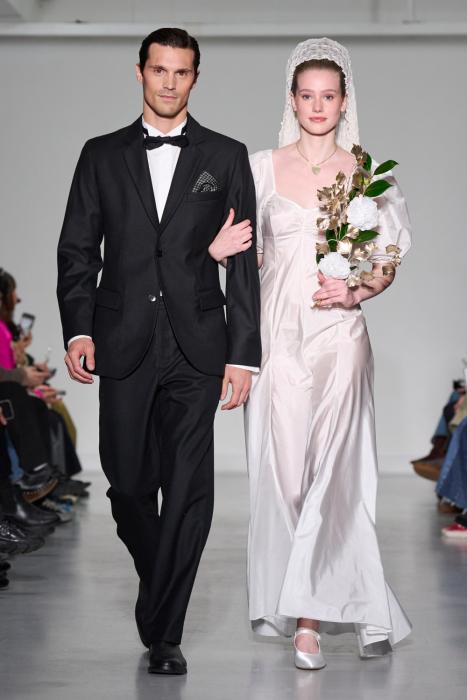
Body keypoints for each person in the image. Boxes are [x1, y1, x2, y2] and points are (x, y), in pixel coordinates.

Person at [57, 27, 261, 675]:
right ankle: (160, 585)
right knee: (126, 483)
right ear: (140, 72)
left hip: (198, 344)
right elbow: (77, 250)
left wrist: (243, 355)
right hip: (122, 340)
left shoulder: (226, 156)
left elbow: (245, 266)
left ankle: (165, 634)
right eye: (159, 70)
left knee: (190, 489)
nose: (169, 82)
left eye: (182, 72)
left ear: (195, 77)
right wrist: (78, 329)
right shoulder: (100, 154)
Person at [209, 37, 411, 669]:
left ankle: (309, 622)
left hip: (339, 334)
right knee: (283, 473)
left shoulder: (367, 173)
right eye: (306, 95)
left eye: (328, 96)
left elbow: (386, 259)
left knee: (335, 470)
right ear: (292, 101)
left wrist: (357, 289)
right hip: (275, 335)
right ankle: (344, 596)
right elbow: (241, 254)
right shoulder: (260, 168)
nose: (317, 106)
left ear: (344, 101)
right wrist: (215, 252)